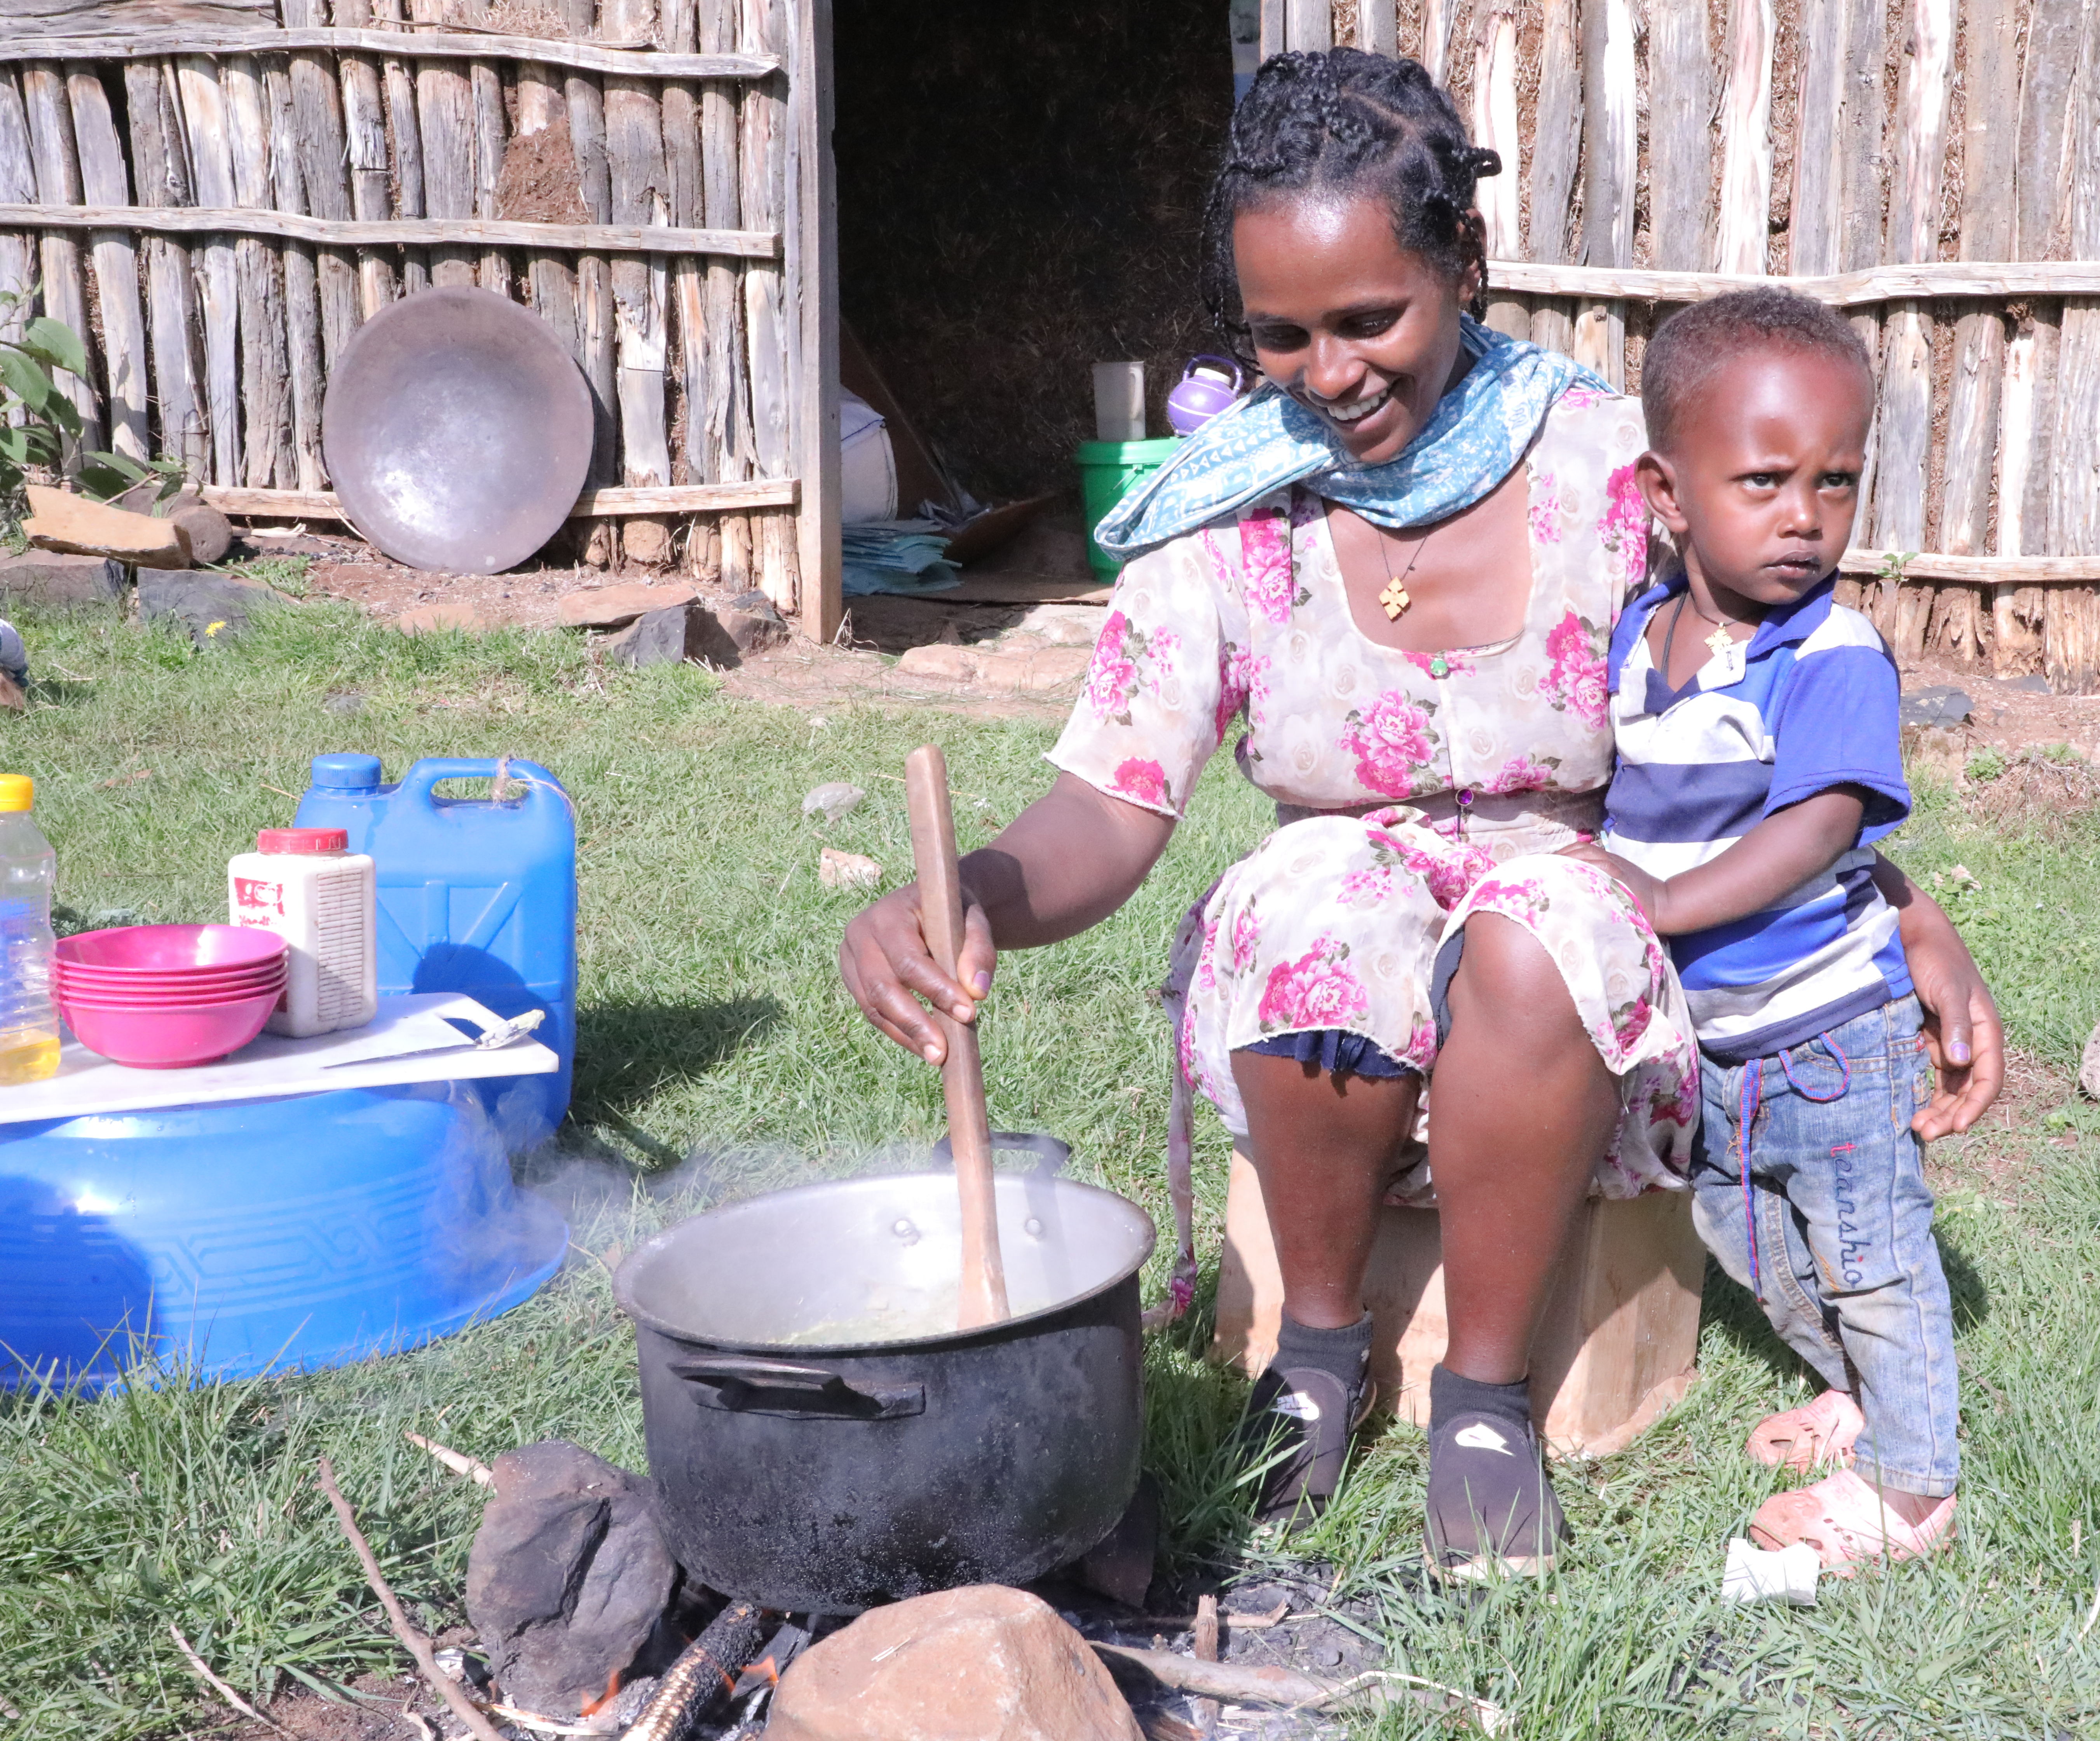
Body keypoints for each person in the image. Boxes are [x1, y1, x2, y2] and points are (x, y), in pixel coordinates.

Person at [839, 49, 2002, 1582]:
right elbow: (1106, 805)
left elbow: (1769, 710)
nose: (1328, 373)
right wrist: (973, 887)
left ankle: (1484, 1399)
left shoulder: (1610, 467)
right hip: (1340, 915)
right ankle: (1317, 1352)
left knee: (1544, 930)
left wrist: (1899, 903)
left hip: (1587, 912)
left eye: (1369, 318)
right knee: (1309, 912)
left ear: (1465, 261)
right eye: (1281, 336)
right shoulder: (1227, 508)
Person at [1596, 288, 1960, 1565]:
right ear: (1665, 492)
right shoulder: (1636, 643)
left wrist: (1663, 907)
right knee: (1745, 1236)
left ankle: (1917, 1493)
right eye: (1764, 481)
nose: (1806, 518)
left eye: (1837, 482)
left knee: (1871, 1254)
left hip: (1830, 1033)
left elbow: (1822, 825)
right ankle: (1857, 1395)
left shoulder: (1832, 653)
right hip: (1719, 1049)